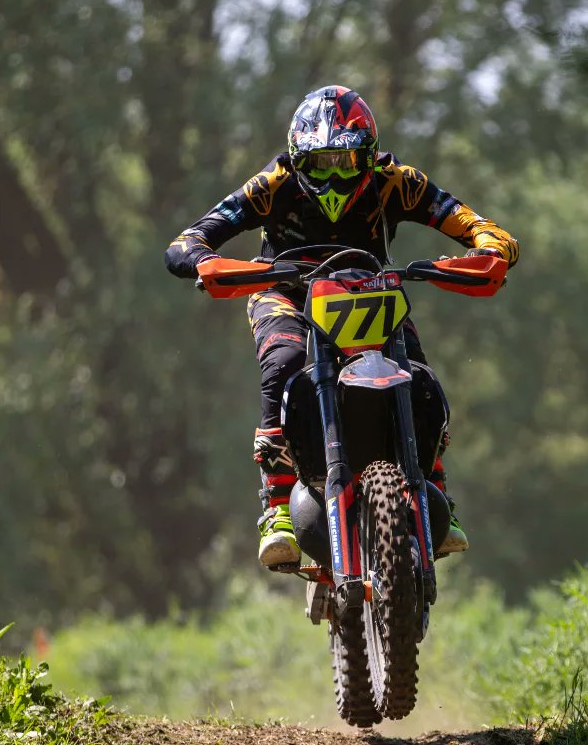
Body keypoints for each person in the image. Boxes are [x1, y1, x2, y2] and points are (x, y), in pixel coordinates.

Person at [166, 85, 519, 567]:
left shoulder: (396, 180)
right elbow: (190, 238)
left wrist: (490, 244)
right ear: (297, 158)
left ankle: (435, 488)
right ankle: (277, 508)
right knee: (285, 363)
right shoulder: (272, 183)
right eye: (321, 162)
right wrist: (203, 259)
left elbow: (466, 219)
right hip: (285, 293)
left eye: (347, 161)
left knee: (417, 372)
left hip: (371, 291)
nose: (334, 173)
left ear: (369, 159)